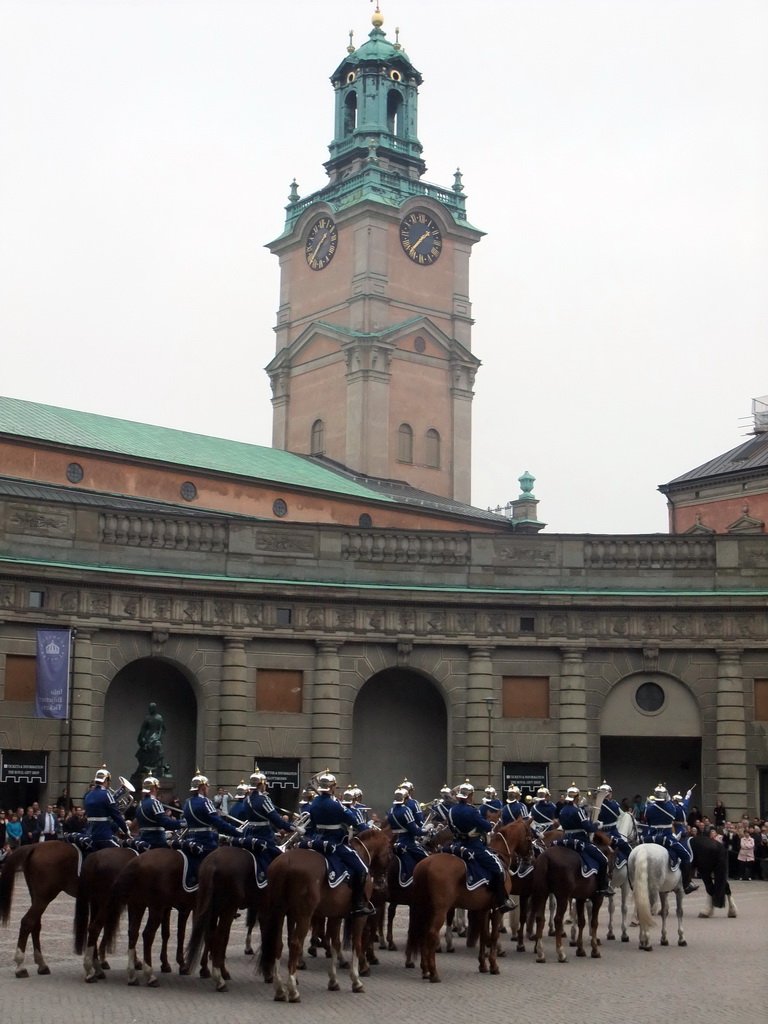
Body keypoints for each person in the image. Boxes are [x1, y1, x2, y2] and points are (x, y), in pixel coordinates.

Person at [302, 771, 374, 916]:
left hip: (317, 839)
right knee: (362, 869)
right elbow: (352, 820)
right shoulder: (335, 804)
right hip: (335, 841)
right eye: (335, 786)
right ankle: (357, 904)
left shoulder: (314, 802)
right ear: (332, 787)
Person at [444, 780, 516, 912]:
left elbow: (451, 828)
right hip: (473, 846)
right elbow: (486, 826)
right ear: (470, 796)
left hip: (456, 844)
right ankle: (502, 902)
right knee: (498, 867)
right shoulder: (472, 811)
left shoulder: (451, 810)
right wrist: (491, 825)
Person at [556, 784, 615, 897]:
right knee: (603, 860)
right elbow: (588, 828)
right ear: (577, 798)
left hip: (566, 839)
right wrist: (597, 825)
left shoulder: (562, 810)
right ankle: (602, 887)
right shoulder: (577, 811)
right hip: (580, 839)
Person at [642, 784, 698, 894]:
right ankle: (686, 884)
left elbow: (647, 821)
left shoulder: (649, 808)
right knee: (686, 856)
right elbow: (676, 813)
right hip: (667, 837)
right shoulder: (671, 807)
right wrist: (686, 798)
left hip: (650, 837)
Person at [182, 772, 241, 856]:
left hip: (190, 838)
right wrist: (235, 831)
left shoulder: (187, 802)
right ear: (203, 787)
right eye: (207, 786)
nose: (208, 789)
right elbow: (217, 822)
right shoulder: (205, 801)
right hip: (205, 841)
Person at [240, 767, 297, 853]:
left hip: (248, 833)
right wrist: (292, 827)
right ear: (262, 784)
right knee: (276, 855)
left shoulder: (246, 800)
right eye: (265, 784)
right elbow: (276, 820)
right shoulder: (264, 799)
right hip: (263, 834)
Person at [78, 766, 130, 851]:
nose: (109, 784)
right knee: (122, 852)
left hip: (89, 833)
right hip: (103, 835)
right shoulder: (106, 794)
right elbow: (116, 815)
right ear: (105, 781)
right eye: (108, 781)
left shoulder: (88, 795)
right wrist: (126, 830)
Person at [132, 776, 184, 850]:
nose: (157, 791)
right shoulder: (154, 802)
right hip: (156, 841)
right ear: (153, 789)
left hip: (143, 838)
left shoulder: (140, 804)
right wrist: (184, 823)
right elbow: (166, 823)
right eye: (157, 789)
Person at [387, 787, 430, 875]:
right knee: (428, 861)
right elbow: (415, 831)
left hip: (395, 843)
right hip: (408, 844)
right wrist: (427, 830)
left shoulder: (391, 810)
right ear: (405, 799)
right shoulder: (406, 810)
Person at [594, 782, 632, 867]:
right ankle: (630, 866)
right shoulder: (614, 805)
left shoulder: (595, 806)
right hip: (611, 834)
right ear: (609, 794)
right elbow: (620, 816)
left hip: (597, 835)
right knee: (627, 847)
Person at [135, 702, 167, 775]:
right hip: (148, 736)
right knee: (144, 748)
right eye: (150, 708)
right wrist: (142, 738)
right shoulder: (148, 718)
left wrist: (158, 736)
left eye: (152, 708)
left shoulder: (159, 717)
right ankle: (145, 766)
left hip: (156, 735)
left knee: (156, 746)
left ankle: (155, 766)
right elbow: (143, 729)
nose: (150, 710)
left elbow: (161, 729)